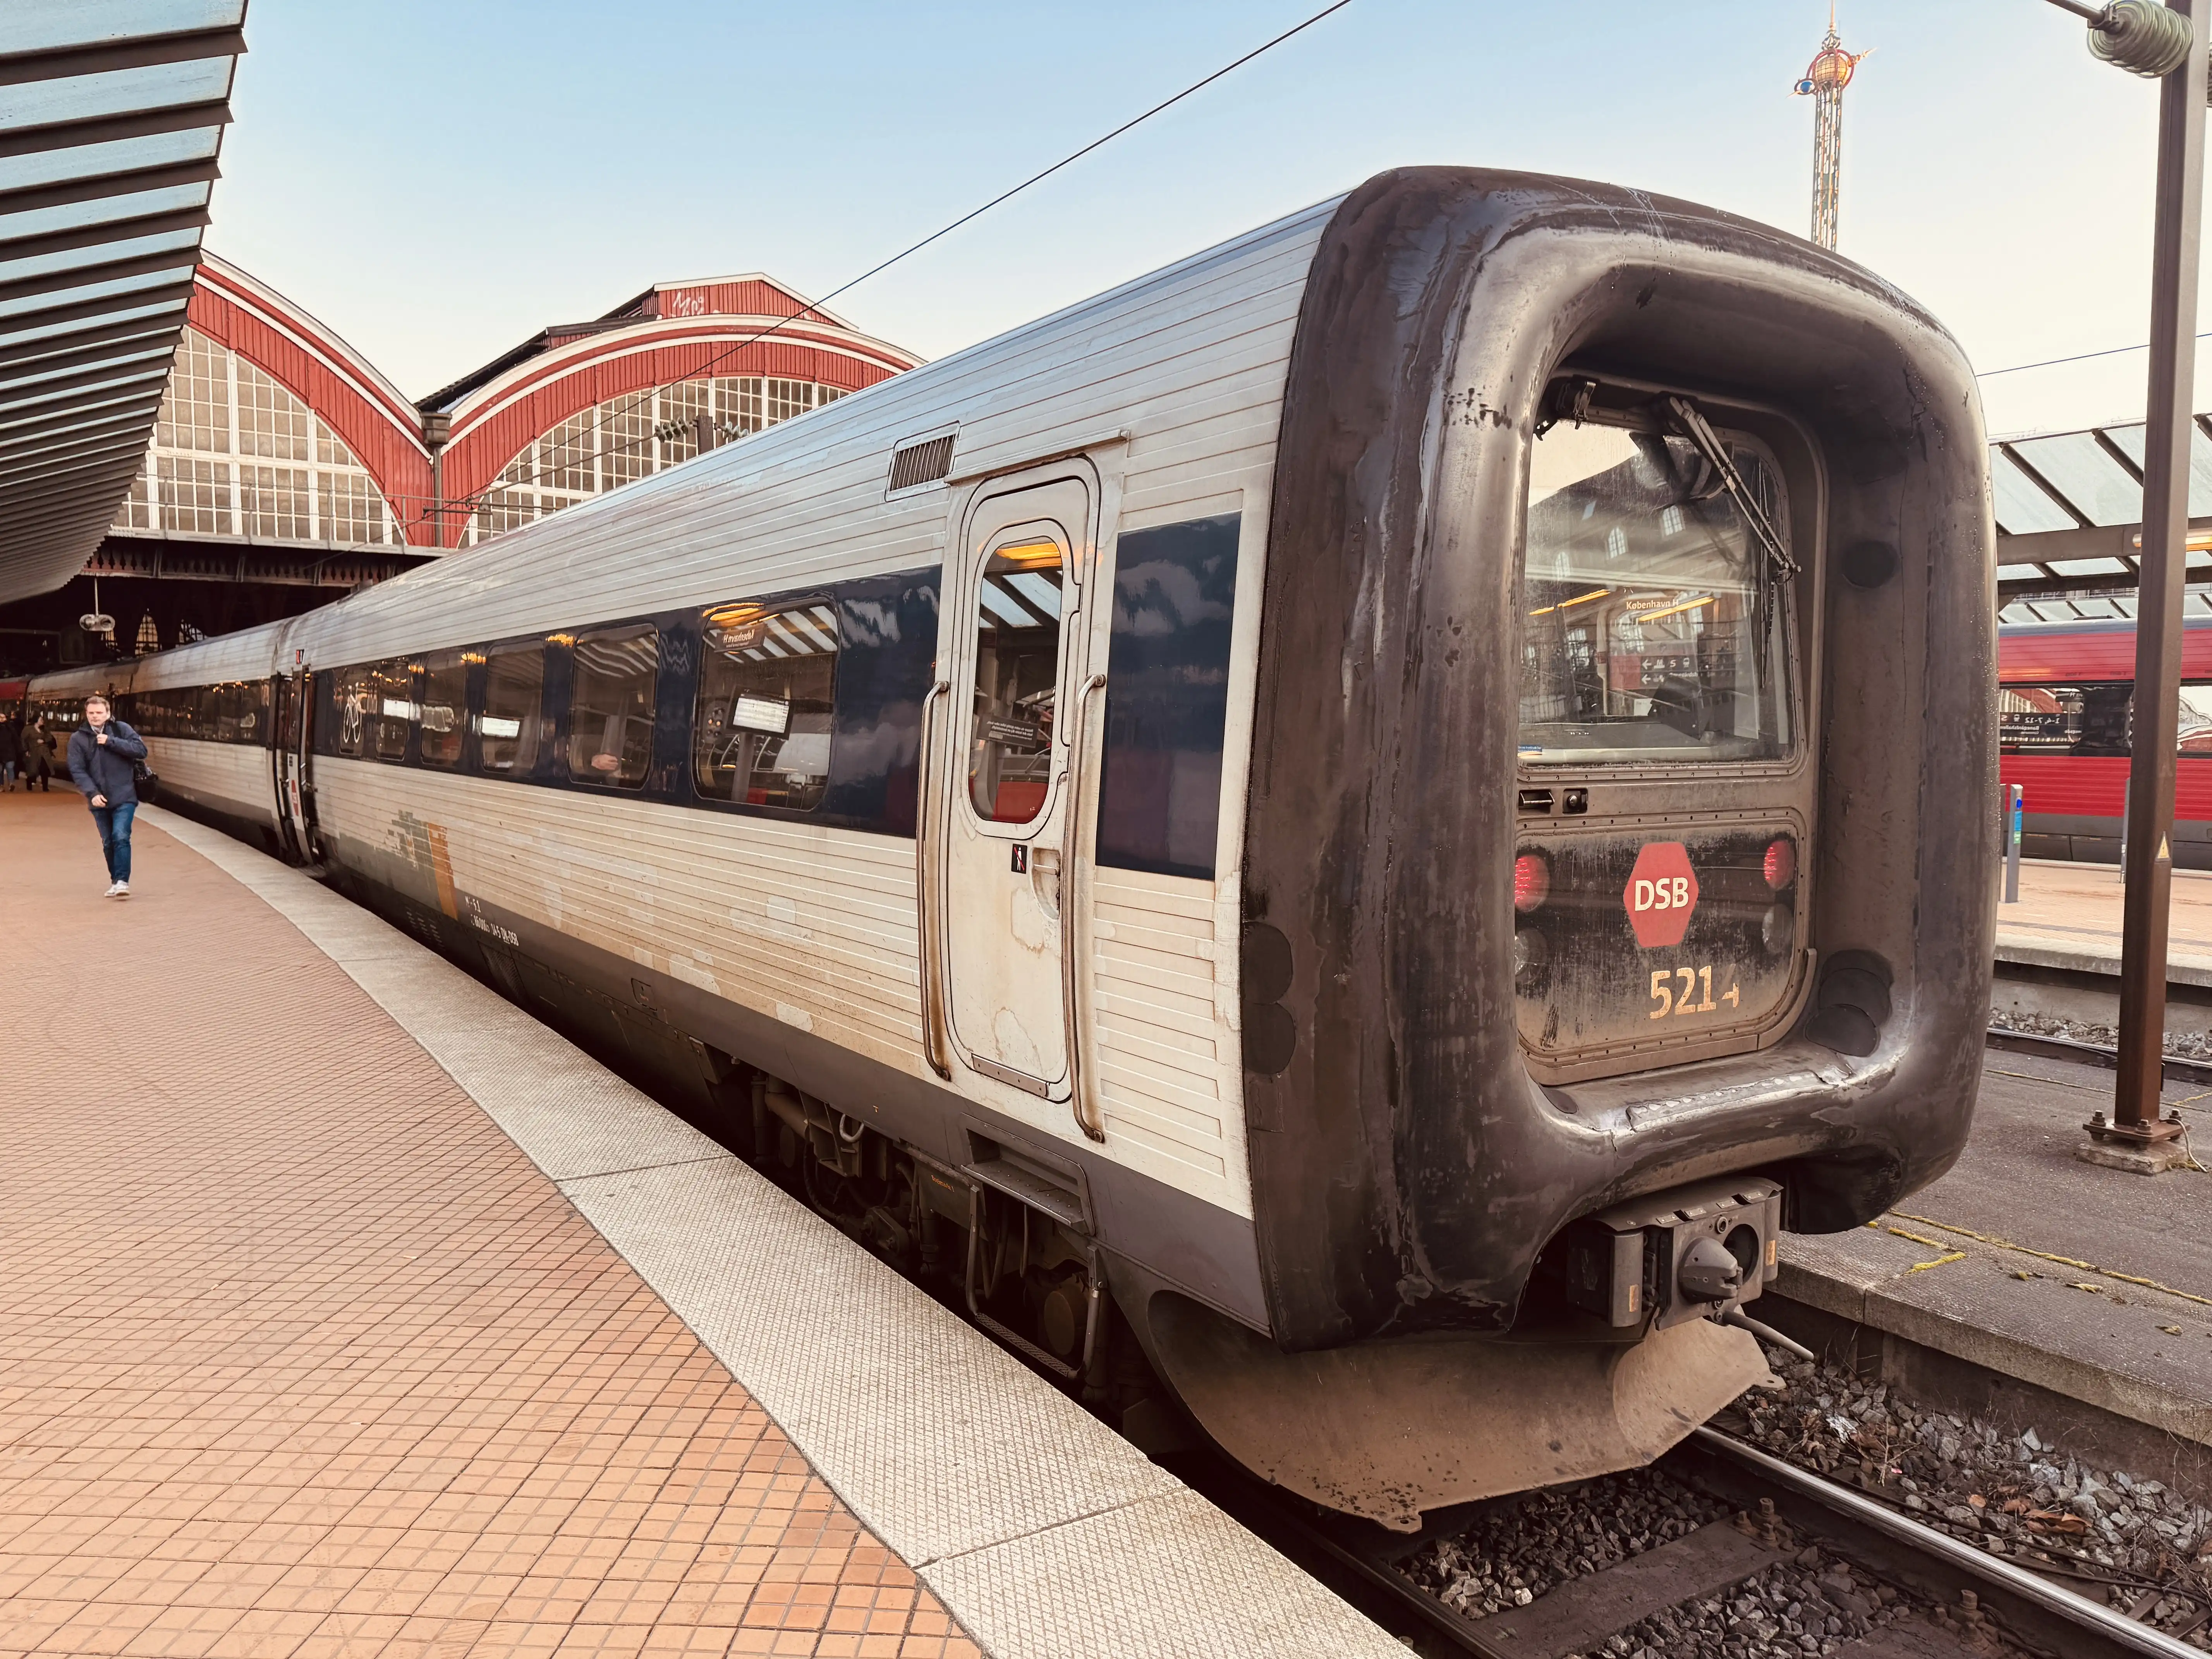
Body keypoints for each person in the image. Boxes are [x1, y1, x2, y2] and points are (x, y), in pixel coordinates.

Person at [65, 695, 148, 898]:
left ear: (108, 714)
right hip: (98, 799)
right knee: (108, 842)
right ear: (86, 714)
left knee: (121, 836)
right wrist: (92, 793)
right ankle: (115, 880)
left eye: (99, 713)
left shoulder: (121, 730)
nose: (95, 717)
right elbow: (77, 770)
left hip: (124, 795)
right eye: (91, 713)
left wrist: (112, 742)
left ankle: (122, 882)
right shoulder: (78, 739)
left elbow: (141, 750)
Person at [22, 716, 53, 791]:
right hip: (34, 752)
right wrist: (26, 750)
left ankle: (45, 787)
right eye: (41, 720)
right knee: (33, 770)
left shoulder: (45, 729)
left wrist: (44, 741)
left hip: (44, 753)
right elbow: (23, 740)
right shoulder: (28, 729)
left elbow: (50, 738)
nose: (42, 721)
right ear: (36, 721)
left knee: (45, 769)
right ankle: (29, 782)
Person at [0, 712, 17, 792]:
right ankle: (2, 785)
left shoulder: (10, 728)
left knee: (9, 768)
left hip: (9, 752)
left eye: (3, 717)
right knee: (2, 770)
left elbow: (15, 738)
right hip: (3, 753)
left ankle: (10, 784)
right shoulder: (9, 728)